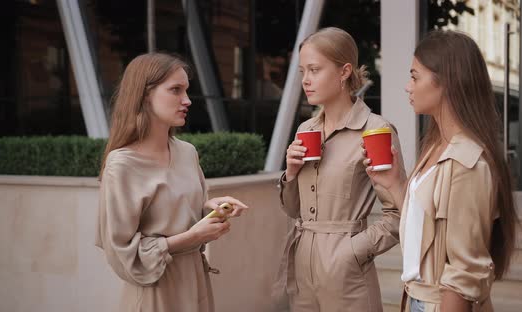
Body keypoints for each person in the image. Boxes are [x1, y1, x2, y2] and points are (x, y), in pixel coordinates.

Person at [364, 30, 520, 312]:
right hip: (416, 298)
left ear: (446, 82)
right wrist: (396, 183)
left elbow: (463, 274)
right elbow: (423, 232)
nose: (408, 87)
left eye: (415, 76)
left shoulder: (467, 162)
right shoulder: (438, 144)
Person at [95, 52, 249, 312]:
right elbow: (123, 252)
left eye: (186, 90)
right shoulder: (122, 164)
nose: (187, 100)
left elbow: (185, 213)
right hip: (155, 292)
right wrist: (189, 238)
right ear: (145, 95)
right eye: (175, 90)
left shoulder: (186, 152)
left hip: (196, 284)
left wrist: (212, 208)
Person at [277, 27, 406, 312]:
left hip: (347, 273)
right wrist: (291, 173)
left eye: (314, 70)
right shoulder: (306, 129)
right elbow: (292, 209)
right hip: (302, 271)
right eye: (302, 72)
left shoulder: (375, 130)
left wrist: (352, 252)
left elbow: (399, 213)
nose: (306, 81)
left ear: (344, 71)